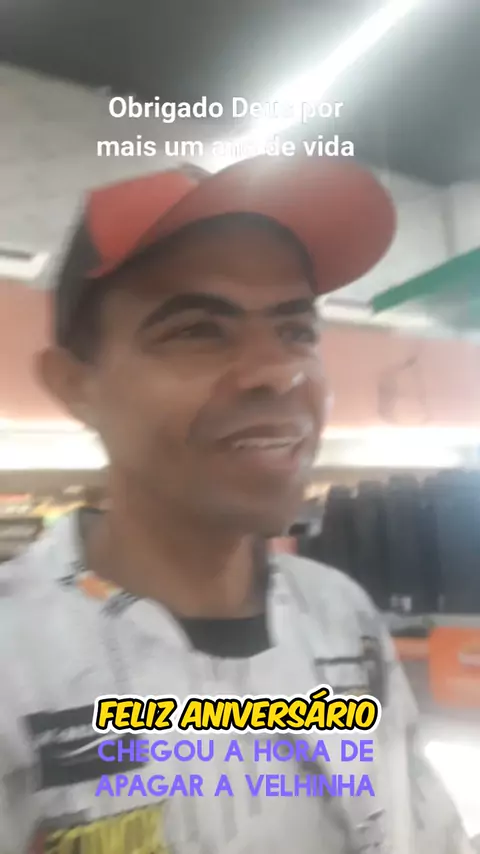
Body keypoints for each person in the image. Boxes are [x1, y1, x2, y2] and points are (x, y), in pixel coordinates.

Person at [0, 156, 472, 854]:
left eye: (296, 330)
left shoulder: (340, 614)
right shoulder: (17, 654)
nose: (277, 372)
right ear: (76, 387)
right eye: (197, 329)